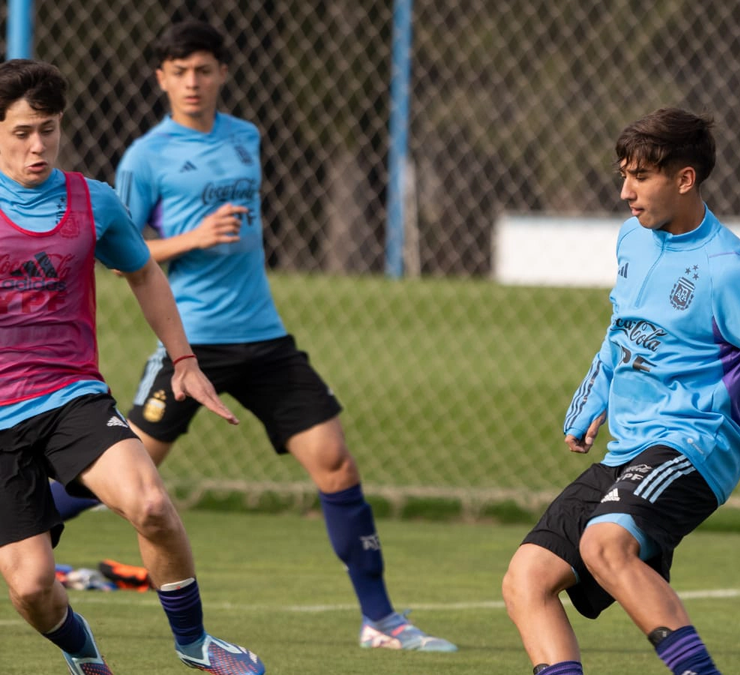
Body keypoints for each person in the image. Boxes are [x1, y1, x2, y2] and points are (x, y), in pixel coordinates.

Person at [47, 19, 456, 653]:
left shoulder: (246, 137)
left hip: (264, 338)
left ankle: (380, 619)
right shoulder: (145, 158)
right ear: (160, 79)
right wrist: (195, 237)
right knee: (116, 476)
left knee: (336, 462)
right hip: (193, 345)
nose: (192, 82)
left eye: (203, 69)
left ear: (222, 74)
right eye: (179, 71)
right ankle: (22, 527)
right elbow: (120, 256)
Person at [501, 108, 740, 675]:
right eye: (624, 175)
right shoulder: (633, 239)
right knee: (526, 579)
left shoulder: (732, 272)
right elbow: (623, 329)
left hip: (696, 444)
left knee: (604, 545)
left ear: (685, 178)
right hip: (629, 450)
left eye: (640, 176)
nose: (625, 192)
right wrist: (593, 396)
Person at [0, 59, 265, 675]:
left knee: (150, 504)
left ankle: (195, 644)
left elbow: (142, 272)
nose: (38, 146)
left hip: (70, 394)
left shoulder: (92, 200)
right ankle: (86, 657)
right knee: (33, 587)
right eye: (21, 133)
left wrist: (184, 360)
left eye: (48, 129)